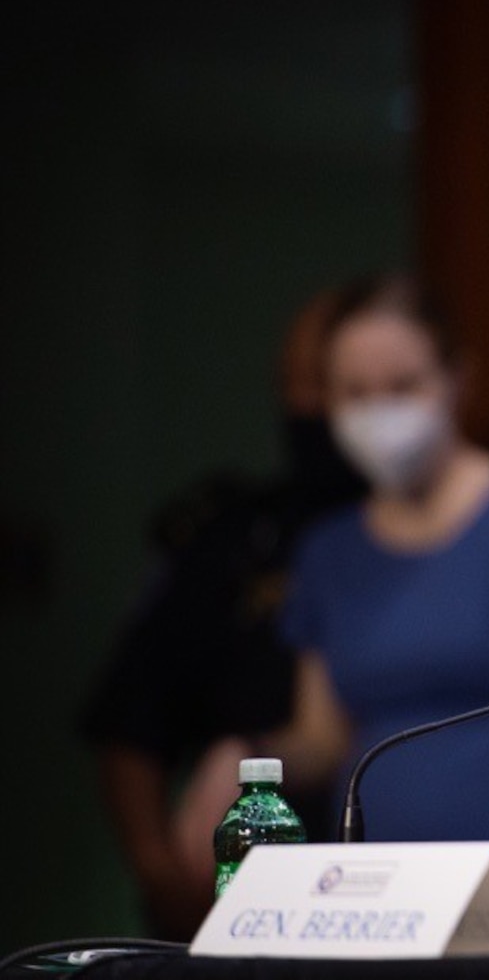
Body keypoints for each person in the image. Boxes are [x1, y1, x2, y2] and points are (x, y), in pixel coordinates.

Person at [221, 271, 489, 923]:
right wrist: (243, 759)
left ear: (457, 380)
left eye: (402, 387)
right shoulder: (328, 552)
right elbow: (323, 736)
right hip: (368, 904)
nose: (379, 411)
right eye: (355, 393)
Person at [80, 290, 367, 940]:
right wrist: (162, 875)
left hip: (418, 868)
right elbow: (130, 716)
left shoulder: (463, 531)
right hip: (249, 887)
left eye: (325, 382)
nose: (304, 405)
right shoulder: (234, 539)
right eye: (290, 385)